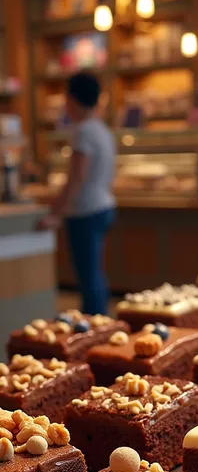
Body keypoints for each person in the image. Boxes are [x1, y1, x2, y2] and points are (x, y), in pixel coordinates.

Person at [39, 72, 116, 315]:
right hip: (104, 206)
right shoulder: (103, 130)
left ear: (72, 99)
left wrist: (55, 214)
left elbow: (75, 179)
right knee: (95, 273)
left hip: (86, 211)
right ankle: (100, 321)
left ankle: (95, 326)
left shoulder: (83, 132)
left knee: (89, 276)